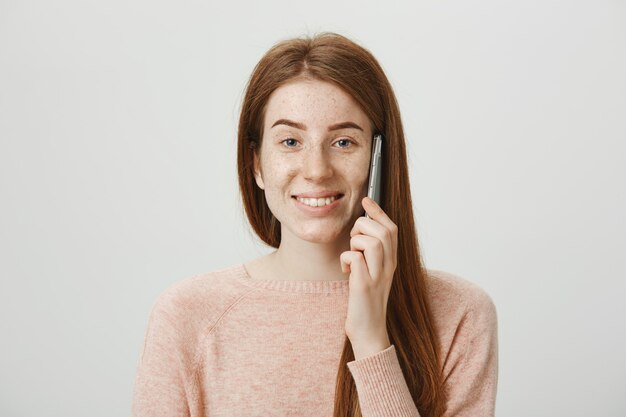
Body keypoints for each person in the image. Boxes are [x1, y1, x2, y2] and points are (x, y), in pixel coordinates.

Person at [132, 32, 498, 417]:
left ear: (379, 160)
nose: (317, 171)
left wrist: (372, 338)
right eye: (290, 142)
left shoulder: (460, 314)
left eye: (343, 142)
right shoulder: (187, 315)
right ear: (256, 164)